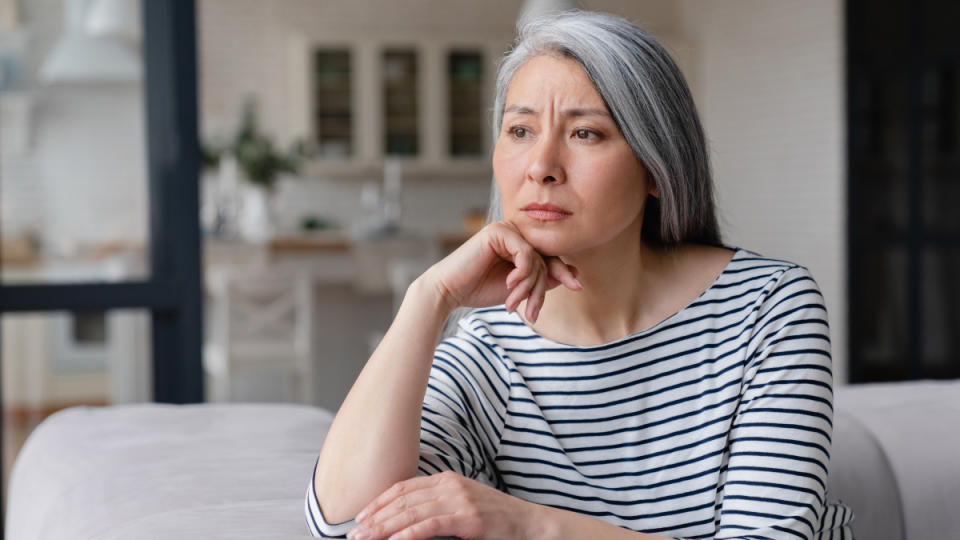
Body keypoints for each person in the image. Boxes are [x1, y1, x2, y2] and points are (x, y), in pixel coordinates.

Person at [306, 10, 853, 540]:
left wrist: (527, 524)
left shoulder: (769, 308)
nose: (541, 165)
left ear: (656, 169)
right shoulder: (491, 352)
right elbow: (347, 523)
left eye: (585, 133)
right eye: (519, 130)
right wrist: (430, 297)